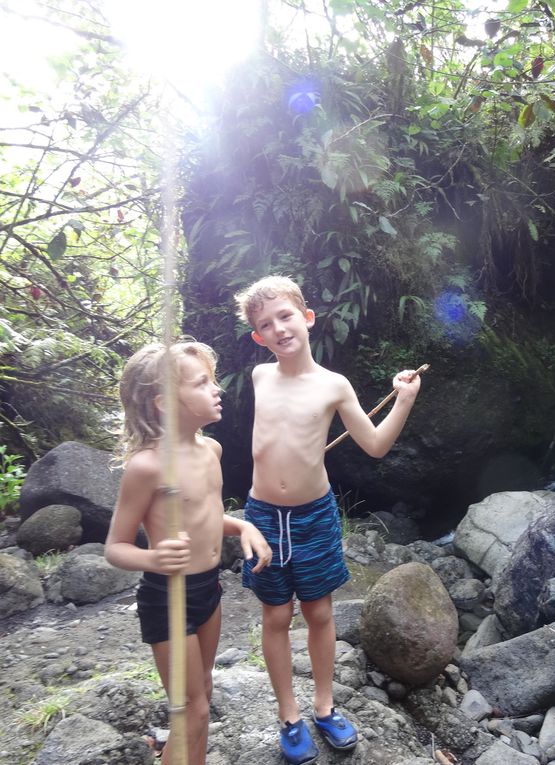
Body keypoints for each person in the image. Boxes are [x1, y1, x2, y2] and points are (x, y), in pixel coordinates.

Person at [233, 275, 421, 764]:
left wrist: (403, 400)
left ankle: (323, 706)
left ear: (307, 318)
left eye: (285, 316)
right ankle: (289, 715)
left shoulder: (333, 386)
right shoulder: (259, 377)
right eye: (265, 324)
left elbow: (376, 446)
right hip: (262, 516)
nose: (278, 328)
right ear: (258, 337)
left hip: (314, 516)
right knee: (275, 615)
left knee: (318, 612)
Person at [105, 340, 273, 765]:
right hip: (168, 597)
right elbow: (115, 548)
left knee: (203, 696)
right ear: (165, 403)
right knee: (192, 710)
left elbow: (208, 516)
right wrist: (153, 559)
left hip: (207, 590)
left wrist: (244, 525)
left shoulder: (210, 451)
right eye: (202, 383)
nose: (216, 389)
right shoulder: (148, 467)